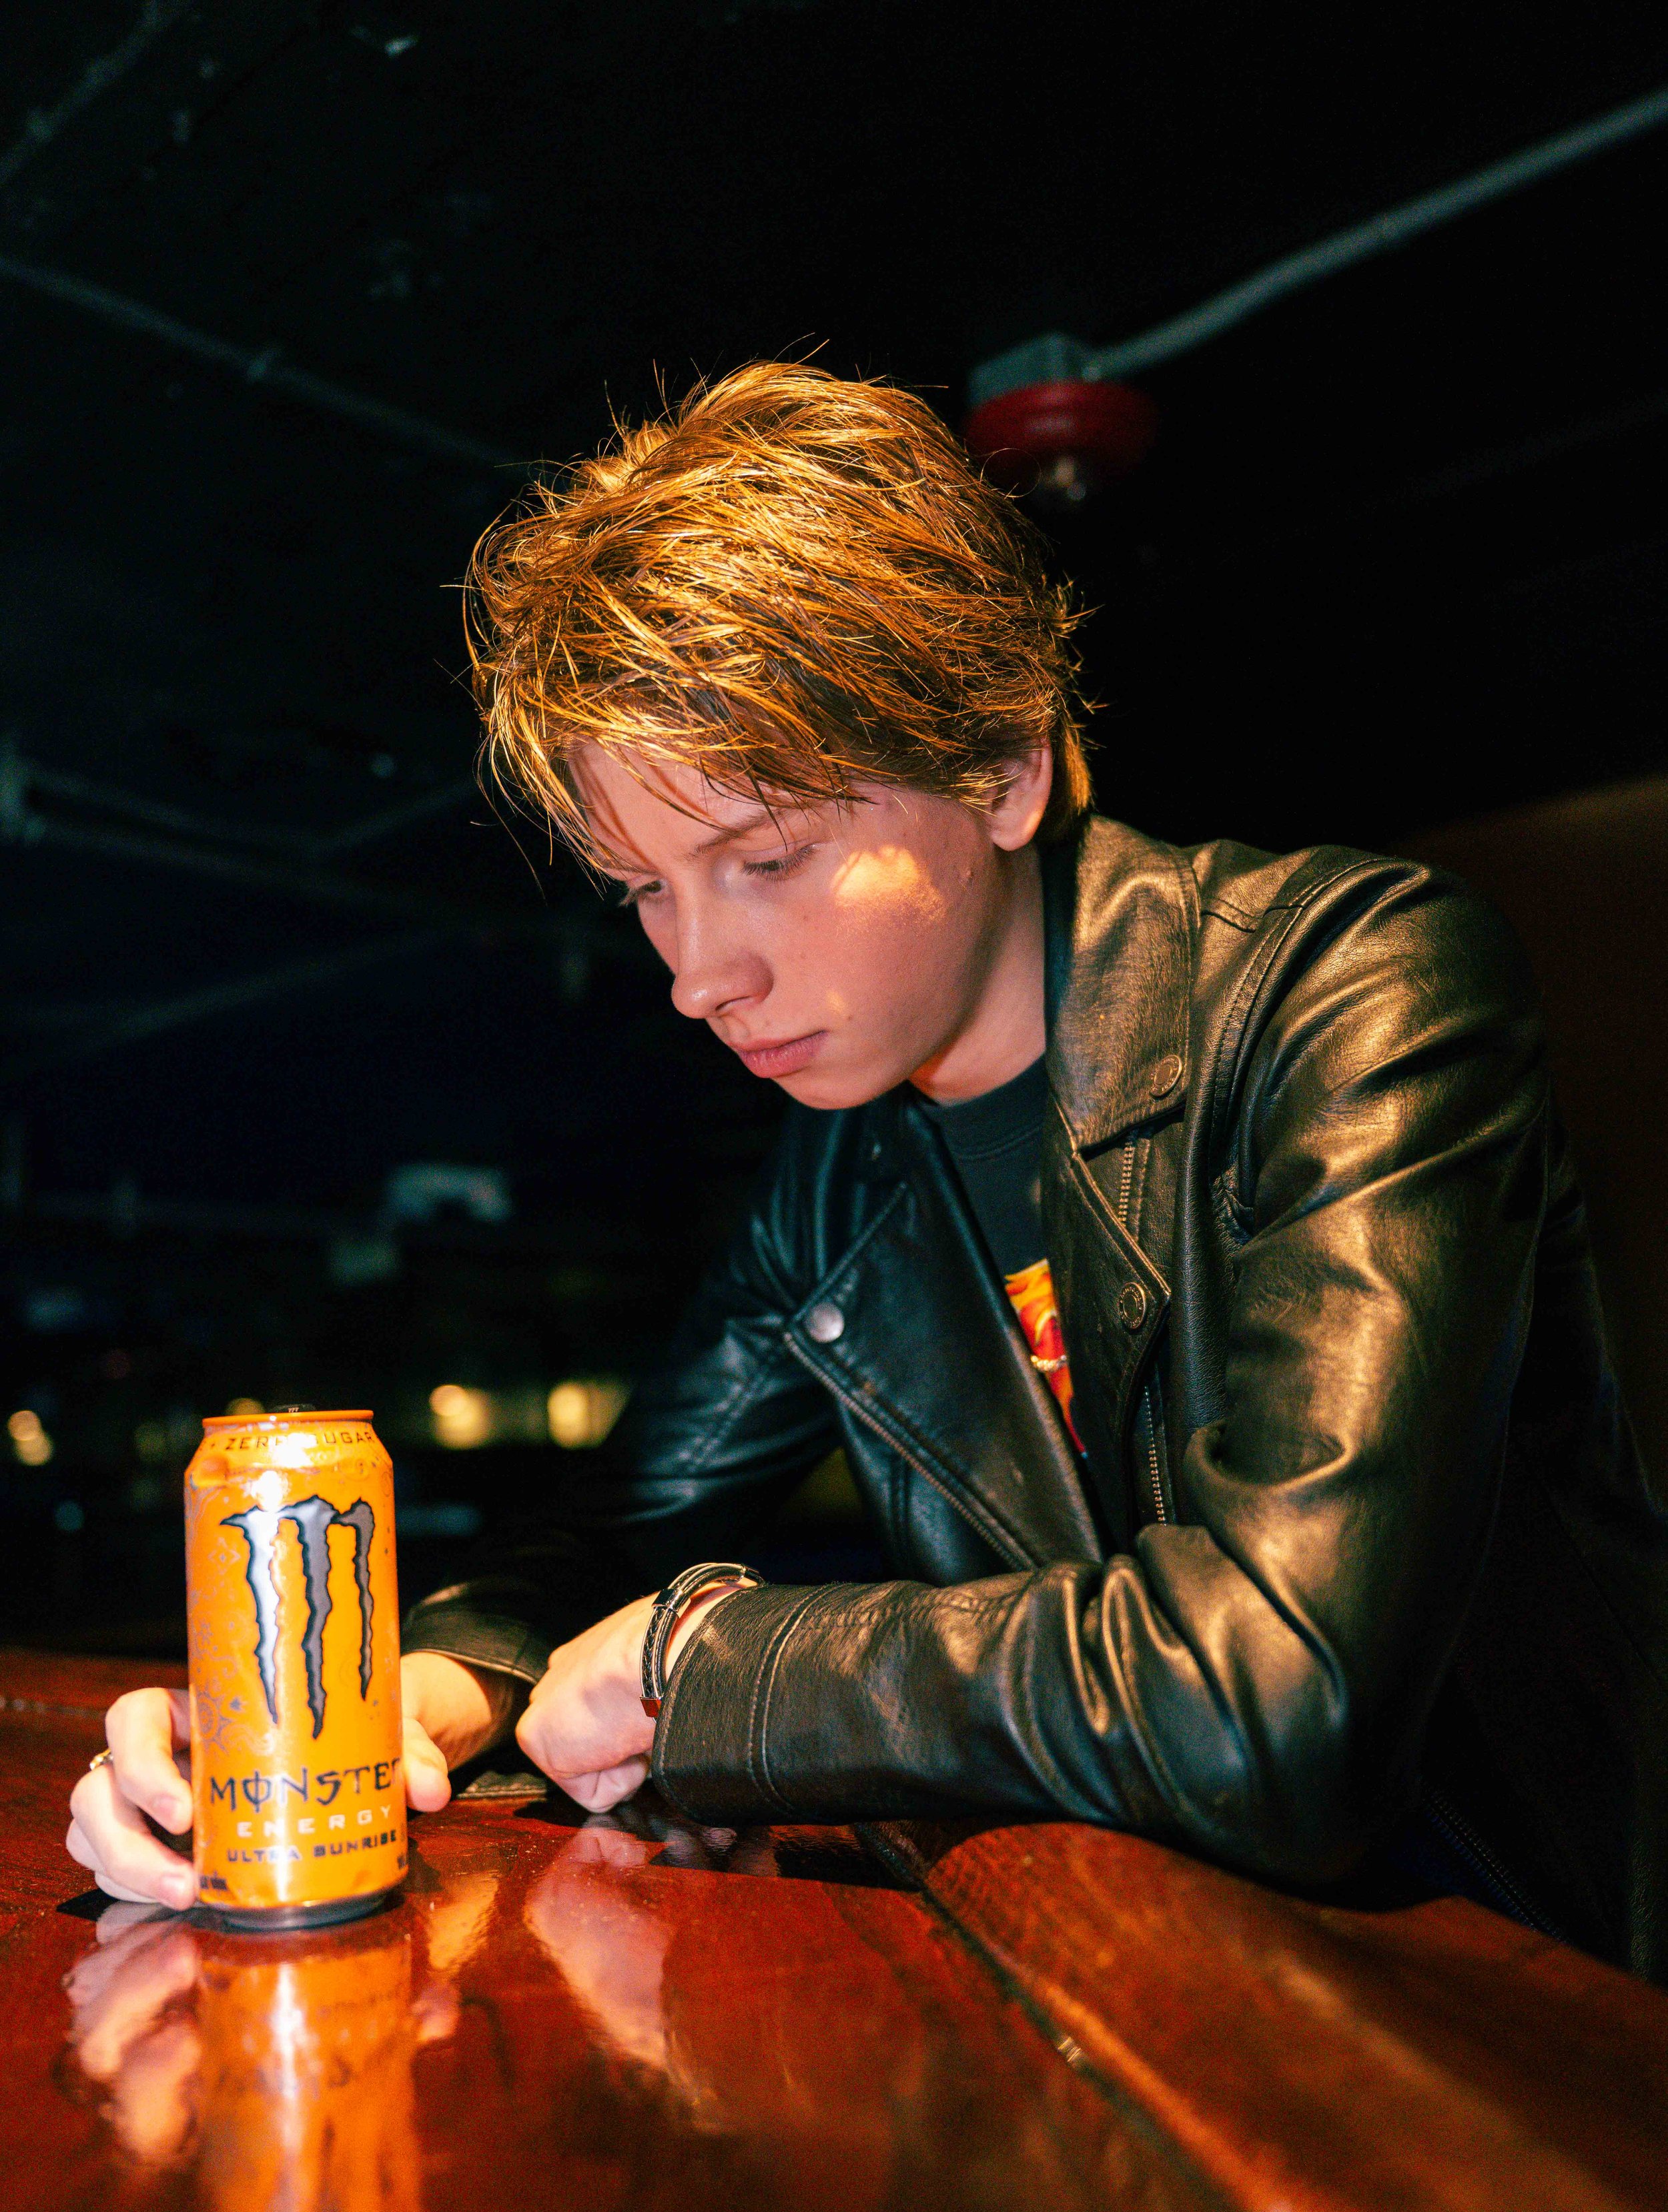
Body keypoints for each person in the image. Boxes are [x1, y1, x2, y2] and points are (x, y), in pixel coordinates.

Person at [67, 363, 1668, 1976]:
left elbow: (1281, 1692)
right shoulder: (839, 1169)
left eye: (762, 862)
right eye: (645, 891)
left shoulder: (1353, 988)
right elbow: (621, 1531)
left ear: (1001, 772)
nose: (698, 975)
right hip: (1162, 1983)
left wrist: (725, 1668)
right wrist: (370, 1704)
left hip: (1529, 2008)